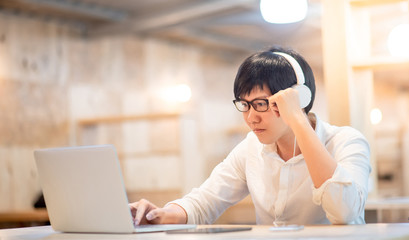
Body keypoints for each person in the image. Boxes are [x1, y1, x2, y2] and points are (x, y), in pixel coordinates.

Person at [129, 46, 371, 226]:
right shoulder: (251, 148)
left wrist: (297, 119)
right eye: (245, 104)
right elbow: (205, 202)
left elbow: (345, 212)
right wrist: (158, 215)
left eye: (261, 104)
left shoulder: (346, 142)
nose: (251, 117)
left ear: (300, 98)